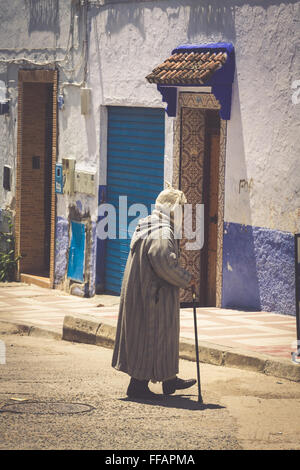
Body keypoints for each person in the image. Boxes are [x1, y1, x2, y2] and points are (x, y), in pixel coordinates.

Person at [112, 186, 196, 399]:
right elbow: (164, 264)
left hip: (149, 293)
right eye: (182, 209)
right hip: (152, 297)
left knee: (162, 337)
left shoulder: (152, 223)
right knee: (152, 337)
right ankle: (138, 386)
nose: (184, 214)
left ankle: (169, 379)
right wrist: (187, 279)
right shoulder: (161, 231)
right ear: (173, 210)